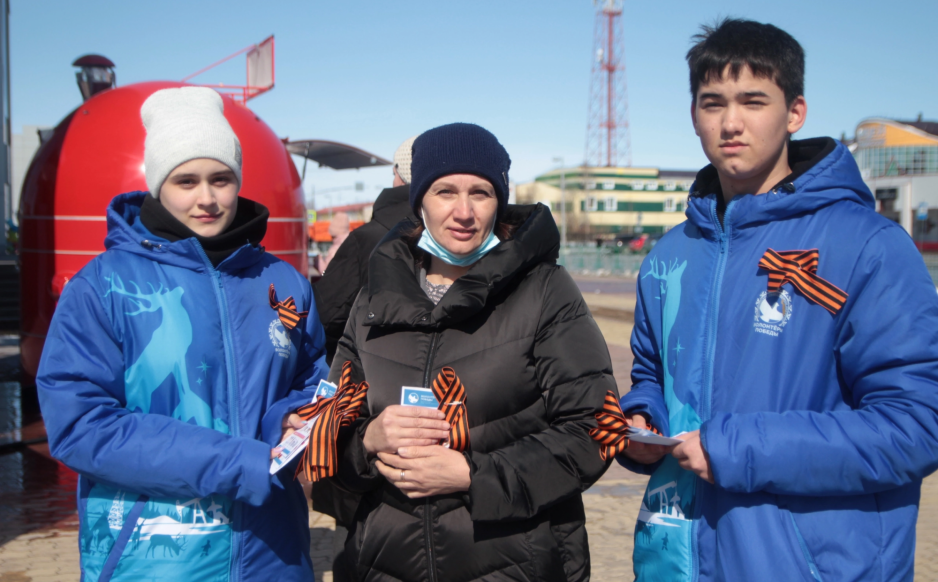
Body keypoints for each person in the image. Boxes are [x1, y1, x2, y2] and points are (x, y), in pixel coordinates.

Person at [617, 18, 938, 581]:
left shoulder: (868, 247)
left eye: (753, 101)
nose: (731, 122)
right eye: (713, 103)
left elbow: (915, 425)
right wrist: (644, 418)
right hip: (678, 561)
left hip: (810, 566)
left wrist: (736, 449)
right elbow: (652, 373)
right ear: (693, 113)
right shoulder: (669, 256)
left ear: (795, 112)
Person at [36, 86, 328, 582]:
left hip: (272, 555)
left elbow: (311, 381)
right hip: (154, 559)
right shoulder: (101, 286)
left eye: (221, 179)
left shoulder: (283, 283)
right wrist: (238, 462)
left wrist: (290, 421)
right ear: (158, 185)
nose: (206, 198)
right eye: (186, 180)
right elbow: (80, 426)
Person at [324, 122, 615, 581]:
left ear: (499, 201)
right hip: (384, 563)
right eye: (445, 191)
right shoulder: (373, 300)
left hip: (514, 564)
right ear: (419, 200)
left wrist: (472, 475)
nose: (463, 212)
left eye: (480, 192)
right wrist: (366, 442)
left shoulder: (544, 291)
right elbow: (326, 431)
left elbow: (596, 428)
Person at [313, 135, 417, 365]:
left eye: (393, 173)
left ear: (399, 173)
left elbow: (326, 315)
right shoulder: (458, 237)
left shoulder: (367, 239)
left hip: (369, 371)